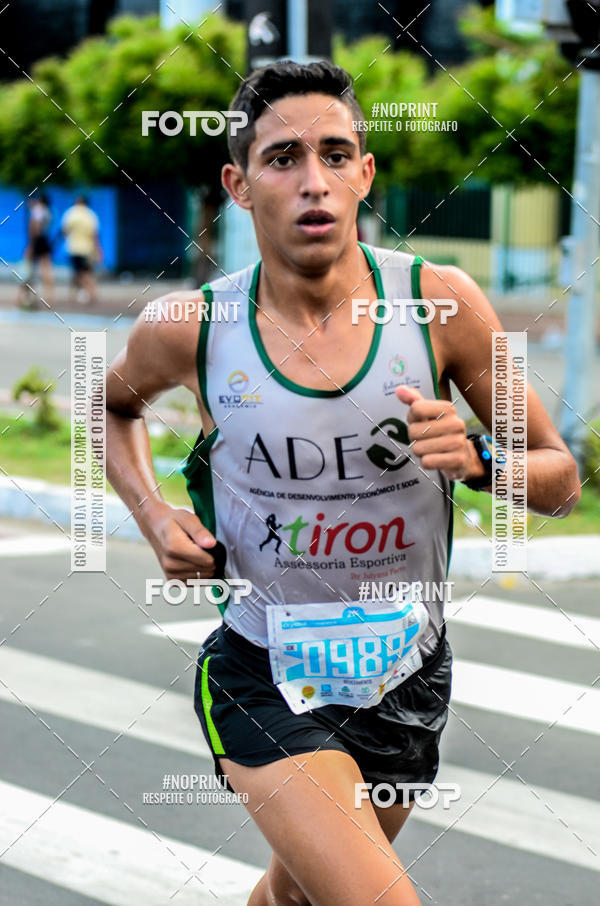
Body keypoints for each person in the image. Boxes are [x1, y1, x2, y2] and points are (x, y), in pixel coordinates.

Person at [106, 61, 580, 906]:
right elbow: (109, 408)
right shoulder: (191, 326)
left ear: (365, 171)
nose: (313, 181)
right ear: (240, 185)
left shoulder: (442, 305)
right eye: (283, 158)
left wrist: (481, 460)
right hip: (263, 671)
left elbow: (561, 478)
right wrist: (151, 514)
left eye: (336, 153)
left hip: (408, 671)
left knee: (298, 896)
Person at [61, 195, 102, 304]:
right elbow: (95, 235)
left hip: (73, 248)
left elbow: (64, 231)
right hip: (87, 249)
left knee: (79, 273)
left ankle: (91, 293)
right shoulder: (91, 215)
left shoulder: (70, 213)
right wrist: (98, 251)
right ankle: (76, 294)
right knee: (84, 272)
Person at [17, 194, 54, 308]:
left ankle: (22, 296)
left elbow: (35, 227)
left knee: (27, 268)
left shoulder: (37, 210)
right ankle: (49, 295)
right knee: (46, 267)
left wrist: (32, 244)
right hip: (44, 240)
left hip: (37, 241)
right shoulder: (47, 211)